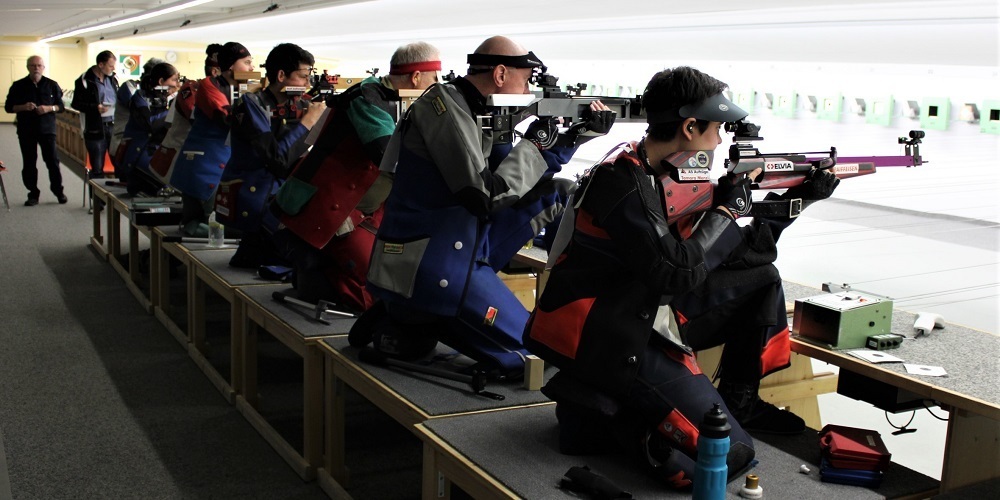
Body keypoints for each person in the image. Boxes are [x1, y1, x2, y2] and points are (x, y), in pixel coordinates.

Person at [522, 66, 839, 489]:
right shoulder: (623, 183)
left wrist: (794, 201)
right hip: (607, 332)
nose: (722, 139)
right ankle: (619, 423)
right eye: (717, 129)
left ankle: (738, 401)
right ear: (689, 127)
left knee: (763, 277)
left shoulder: (656, 171)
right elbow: (676, 272)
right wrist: (728, 211)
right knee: (728, 457)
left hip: (638, 307)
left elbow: (738, 252)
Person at [349, 36, 613, 377]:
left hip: (464, 244)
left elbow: (521, 178)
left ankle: (406, 313)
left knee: (560, 192)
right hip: (433, 259)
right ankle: (417, 311)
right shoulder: (443, 107)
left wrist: (573, 138)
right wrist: (534, 141)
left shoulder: (481, 110)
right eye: (527, 78)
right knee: (534, 360)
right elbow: (486, 196)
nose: (530, 89)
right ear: (501, 74)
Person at [271, 41, 442, 312]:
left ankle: (318, 275)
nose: (437, 86)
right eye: (434, 79)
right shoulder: (368, 97)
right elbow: (387, 156)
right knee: (374, 292)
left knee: (392, 280)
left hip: (362, 212)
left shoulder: (397, 99)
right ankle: (317, 279)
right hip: (332, 210)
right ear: (416, 77)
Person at [215, 42, 326, 268]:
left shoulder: (295, 104)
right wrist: (307, 123)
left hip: (275, 196)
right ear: (282, 75)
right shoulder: (250, 104)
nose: (306, 84)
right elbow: (277, 160)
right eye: (303, 76)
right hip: (253, 196)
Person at [170, 42, 253, 236]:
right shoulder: (210, 85)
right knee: (208, 224)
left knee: (217, 224)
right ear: (231, 66)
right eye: (247, 62)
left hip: (220, 164)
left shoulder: (240, 89)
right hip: (205, 165)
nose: (252, 68)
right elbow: (226, 118)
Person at [4, 55, 66, 206]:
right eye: (33, 65)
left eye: (39, 65)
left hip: (47, 130)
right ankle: (33, 193)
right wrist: (23, 107)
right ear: (28, 67)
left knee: (52, 162)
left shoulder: (52, 85)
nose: (36, 68)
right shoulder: (18, 86)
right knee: (29, 163)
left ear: (43, 68)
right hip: (26, 130)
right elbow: (8, 107)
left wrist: (48, 108)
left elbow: (61, 106)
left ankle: (58, 191)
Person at [119, 62, 181, 195]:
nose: (177, 85)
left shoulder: (165, 100)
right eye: (174, 80)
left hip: (155, 157)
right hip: (138, 158)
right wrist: (173, 109)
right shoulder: (140, 97)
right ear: (161, 81)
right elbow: (150, 124)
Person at [71, 50, 119, 180]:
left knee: (119, 163)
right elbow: (75, 104)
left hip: (113, 127)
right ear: (100, 65)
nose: (113, 68)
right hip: (95, 128)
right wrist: (94, 108)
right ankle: (98, 200)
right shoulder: (84, 80)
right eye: (110, 66)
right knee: (97, 167)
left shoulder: (113, 79)